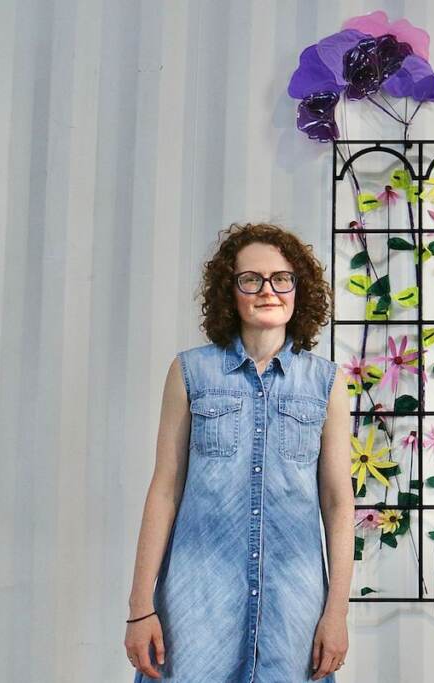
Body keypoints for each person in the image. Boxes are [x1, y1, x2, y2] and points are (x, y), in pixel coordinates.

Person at [123, 223, 354, 682]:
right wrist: (139, 607)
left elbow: (337, 501)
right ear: (230, 291)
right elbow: (164, 490)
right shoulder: (190, 372)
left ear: (298, 288)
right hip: (195, 603)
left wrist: (337, 613)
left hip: (294, 607)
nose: (267, 290)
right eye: (250, 279)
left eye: (280, 278)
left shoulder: (326, 383)